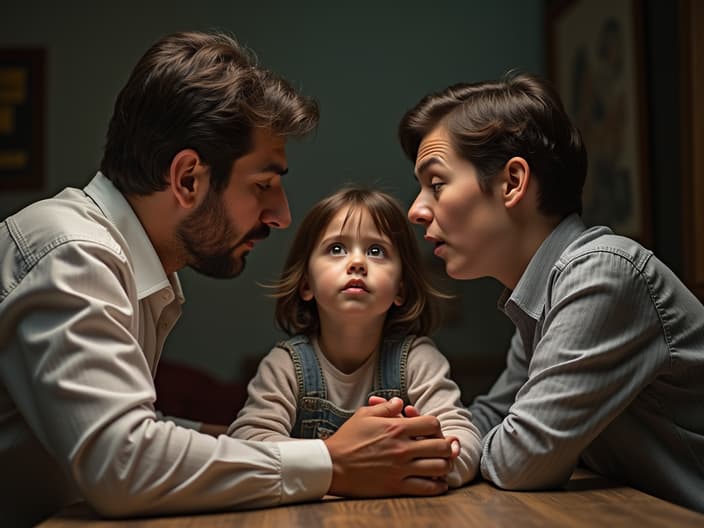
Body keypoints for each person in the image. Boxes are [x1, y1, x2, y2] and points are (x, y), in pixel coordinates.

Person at [0, 31, 456, 527]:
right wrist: (334, 461)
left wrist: (231, 444)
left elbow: (109, 432)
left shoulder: (123, 261)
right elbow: (122, 462)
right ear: (188, 178)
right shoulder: (74, 255)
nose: (281, 214)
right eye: (263, 184)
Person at [397, 72, 704, 512]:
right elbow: (490, 417)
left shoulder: (600, 274)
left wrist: (437, 452)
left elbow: (519, 459)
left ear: (512, 182)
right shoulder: (540, 292)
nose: (416, 210)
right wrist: (421, 444)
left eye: (437, 183)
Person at [228, 187, 479, 488]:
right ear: (306, 283)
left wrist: (419, 470)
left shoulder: (417, 359)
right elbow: (247, 444)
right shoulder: (286, 366)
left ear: (400, 289)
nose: (357, 262)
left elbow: (463, 440)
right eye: (336, 249)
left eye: (376, 251)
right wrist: (336, 466)